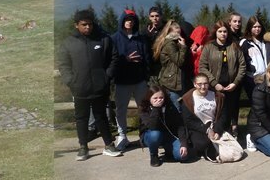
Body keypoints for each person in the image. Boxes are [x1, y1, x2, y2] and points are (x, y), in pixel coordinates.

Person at [57, 9, 122, 161]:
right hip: (79, 88)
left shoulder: (103, 39)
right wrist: (71, 81)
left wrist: (107, 77)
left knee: (101, 117)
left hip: (100, 87)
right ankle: (83, 147)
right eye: (84, 24)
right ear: (76, 25)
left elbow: (114, 58)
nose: (87, 27)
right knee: (81, 118)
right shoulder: (68, 43)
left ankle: (109, 145)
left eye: (90, 24)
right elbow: (63, 64)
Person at [109, 9, 151, 151]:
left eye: (132, 20)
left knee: (144, 108)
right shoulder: (114, 38)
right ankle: (122, 136)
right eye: (127, 19)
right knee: (121, 110)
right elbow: (111, 59)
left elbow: (147, 58)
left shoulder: (141, 38)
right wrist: (125, 60)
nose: (129, 22)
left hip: (140, 81)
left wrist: (146, 77)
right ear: (122, 21)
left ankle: (144, 134)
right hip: (122, 81)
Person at [199, 21, 245, 137]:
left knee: (230, 111)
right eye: (220, 31)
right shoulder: (209, 47)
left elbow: (242, 66)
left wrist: (235, 82)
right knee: (217, 113)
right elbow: (202, 67)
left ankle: (230, 135)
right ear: (215, 32)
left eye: (225, 31)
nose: (223, 34)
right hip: (215, 87)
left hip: (231, 86)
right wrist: (214, 83)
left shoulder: (234, 46)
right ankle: (216, 135)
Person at [138, 85, 188, 167]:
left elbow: (180, 125)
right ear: (149, 98)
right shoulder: (144, 109)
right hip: (150, 135)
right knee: (155, 134)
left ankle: (169, 151)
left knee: (183, 156)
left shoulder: (170, 106)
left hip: (168, 135)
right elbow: (152, 126)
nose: (159, 100)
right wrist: (156, 109)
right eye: (155, 98)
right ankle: (154, 155)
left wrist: (183, 144)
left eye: (161, 98)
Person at [180, 73, 226, 163]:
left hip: (215, 125)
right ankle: (203, 150)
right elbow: (188, 121)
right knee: (201, 144)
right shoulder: (187, 99)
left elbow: (223, 115)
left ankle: (212, 150)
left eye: (205, 83)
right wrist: (207, 130)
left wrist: (218, 130)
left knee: (221, 142)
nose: (203, 87)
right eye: (199, 84)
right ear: (194, 84)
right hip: (198, 127)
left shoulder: (218, 96)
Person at [153, 20, 188, 108]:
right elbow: (179, 61)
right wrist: (183, 47)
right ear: (170, 32)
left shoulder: (173, 42)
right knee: (176, 108)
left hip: (171, 79)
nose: (179, 34)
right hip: (172, 82)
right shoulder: (170, 44)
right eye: (177, 32)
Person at [239, 16, 270, 100]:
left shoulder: (265, 42)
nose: (257, 29)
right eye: (254, 27)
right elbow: (242, 61)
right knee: (256, 103)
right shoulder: (244, 43)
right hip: (252, 79)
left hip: (266, 78)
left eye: (259, 27)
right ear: (250, 28)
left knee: (265, 103)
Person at [142, 6, 164, 80]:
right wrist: (148, 36)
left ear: (161, 16)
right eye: (152, 16)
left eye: (157, 16)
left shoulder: (166, 29)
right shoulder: (146, 30)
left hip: (163, 63)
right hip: (150, 63)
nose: (155, 18)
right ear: (149, 17)